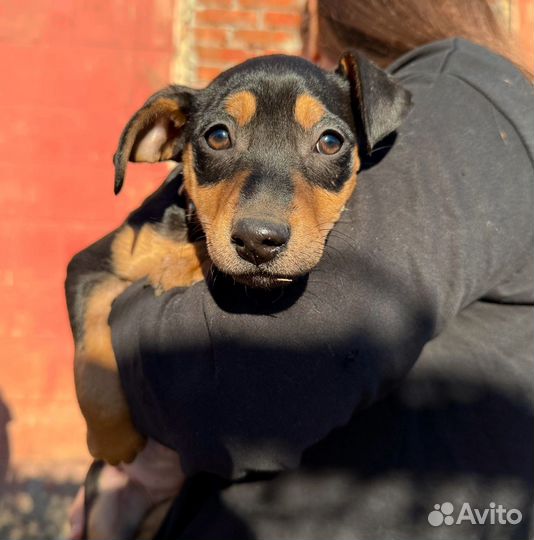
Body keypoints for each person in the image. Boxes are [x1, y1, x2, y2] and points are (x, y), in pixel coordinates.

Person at [69, 1, 534, 538]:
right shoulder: (433, 97)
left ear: (324, 18)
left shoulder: (450, 105)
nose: (263, 223)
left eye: (329, 141)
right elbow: (97, 269)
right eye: (220, 137)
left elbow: (249, 388)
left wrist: (141, 440)